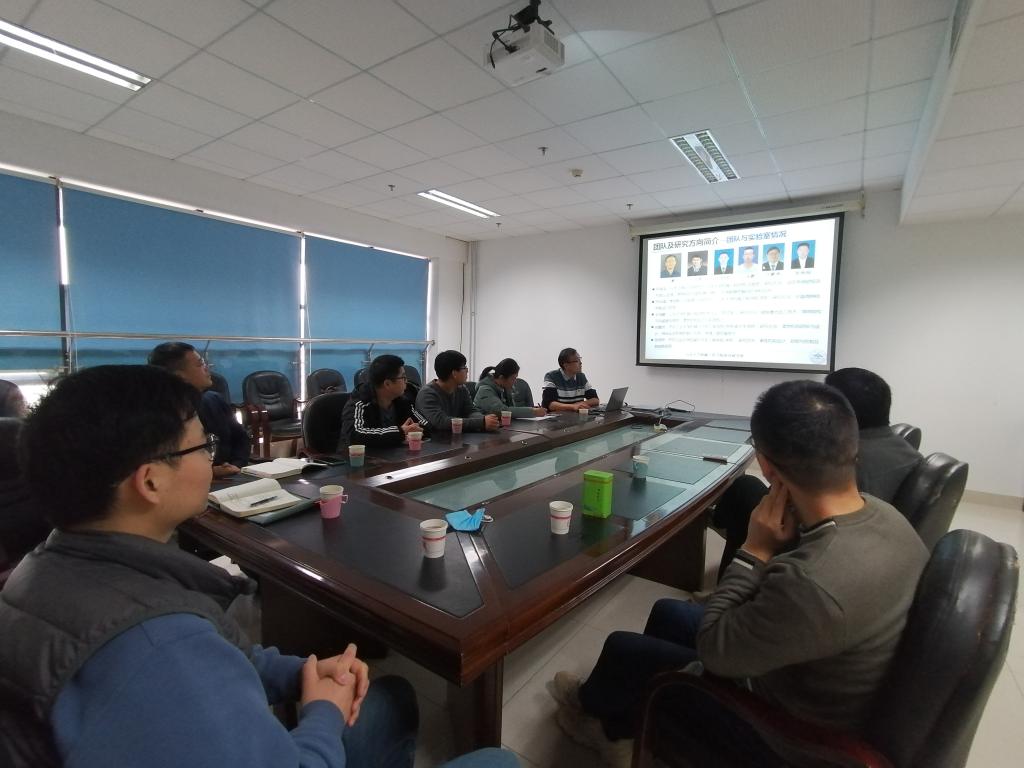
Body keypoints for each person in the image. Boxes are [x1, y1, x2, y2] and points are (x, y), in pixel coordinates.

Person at [0, 365, 519, 768]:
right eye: (201, 445)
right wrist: (323, 711)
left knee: (395, 699)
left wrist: (299, 673)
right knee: (499, 761)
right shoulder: (160, 649)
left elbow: (224, 654)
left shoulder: (41, 568)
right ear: (150, 481)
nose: (212, 459)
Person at [550, 380, 929, 767]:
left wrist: (755, 550)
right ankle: (626, 714)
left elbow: (716, 651)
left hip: (783, 729)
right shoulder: (888, 515)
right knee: (668, 611)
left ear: (765, 464)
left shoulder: (812, 580)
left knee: (622, 647)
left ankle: (604, 728)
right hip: (814, 672)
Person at [713, 367, 923, 579]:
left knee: (745, 491)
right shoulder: (906, 451)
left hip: (809, 551)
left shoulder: (839, 463)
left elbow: (793, 513)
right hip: (868, 552)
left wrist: (756, 549)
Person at [148, 342, 248, 478]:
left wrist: (236, 465)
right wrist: (212, 472)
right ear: (178, 376)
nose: (207, 368)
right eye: (200, 364)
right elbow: (161, 465)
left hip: (232, 475)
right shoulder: (158, 414)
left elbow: (241, 438)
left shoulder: (215, 400)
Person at [341, 354, 430, 448]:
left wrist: (415, 430)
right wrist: (401, 432)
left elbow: (424, 424)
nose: (406, 381)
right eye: (403, 377)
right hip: (363, 455)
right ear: (387, 384)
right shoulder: (360, 403)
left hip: (395, 454)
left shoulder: (403, 400)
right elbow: (356, 435)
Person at [416, 350, 498, 432]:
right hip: (433, 438)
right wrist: (481, 422)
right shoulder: (427, 394)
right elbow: (441, 422)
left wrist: (485, 419)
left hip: (456, 436)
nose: (467, 370)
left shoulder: (461, 389)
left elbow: (470, 411)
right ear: (454, 373)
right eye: (464, 367)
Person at [474, 359, 546, 419]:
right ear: (501, 378)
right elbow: (502, 411)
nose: (515, 381)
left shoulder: (504, 388)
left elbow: (511, 409)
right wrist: (533, 411)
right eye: (513, 378)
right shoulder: (484, 390)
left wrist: (534, 409)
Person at [542, 348, 598, 412]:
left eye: (580, 359)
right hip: (558, 417)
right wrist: (573, 407)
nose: (581, 363)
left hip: (576, 416)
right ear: (566, 365)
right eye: (577, 361)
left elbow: (595, 399)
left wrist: (579, 404)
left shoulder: (581, 376)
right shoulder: (551, 376)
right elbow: (550, 404)